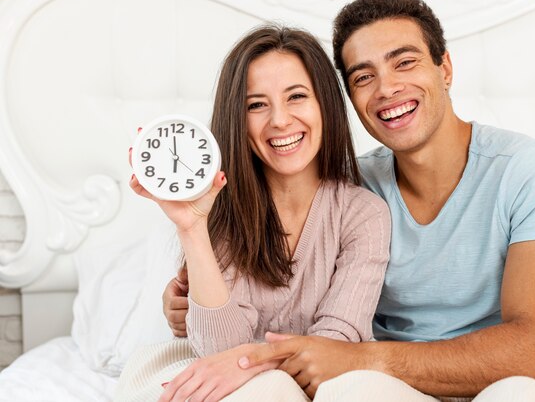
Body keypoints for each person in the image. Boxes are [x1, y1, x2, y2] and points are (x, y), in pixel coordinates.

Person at [163, 0, 535, 402]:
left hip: (506, 385)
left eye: (404, 62)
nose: (386, 88)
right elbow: (280, 286)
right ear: (348, 98)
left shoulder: (534, 172)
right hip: (384, 388)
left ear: (445, 69)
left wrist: (361, 358)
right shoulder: (353, 185)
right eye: (363, 76)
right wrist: (197, 295)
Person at [120, 24, 391, 402]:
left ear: (325, 104)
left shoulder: (364, 215)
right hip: (219, 373)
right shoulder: (221, 207)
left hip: (304, 379)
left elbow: (336, 344)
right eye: (256, 104)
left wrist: (252, 358)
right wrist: (192, 228)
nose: (280, 120)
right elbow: (219, 349)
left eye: (296, 96)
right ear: (237, 119)